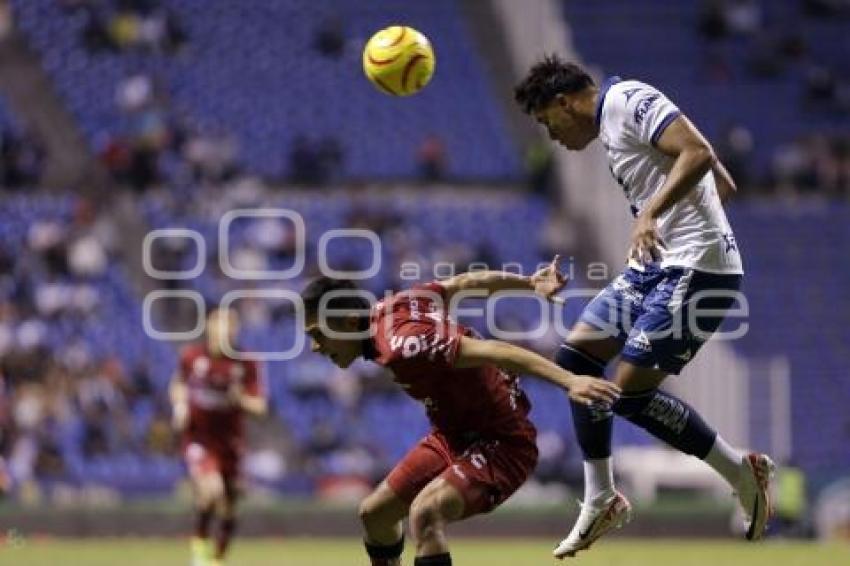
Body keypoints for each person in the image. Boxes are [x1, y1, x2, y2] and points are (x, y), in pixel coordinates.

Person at [514, 55, 775, 558]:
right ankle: (601, 497)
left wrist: (655, 214)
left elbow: (697, 152)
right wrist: (689, 218)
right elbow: (723, 184)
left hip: (697, 270)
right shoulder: (612, 127)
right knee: (576, 361)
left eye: (549, 123)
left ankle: (742, 472)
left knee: (627, 396)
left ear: (565, 103)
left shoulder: (628, 98)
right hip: (657, 267)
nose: (553, 137)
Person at [300, 258, 621, 566]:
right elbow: (467, 282)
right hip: (451, 438)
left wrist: (569, 381)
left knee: (425, 514)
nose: (316, 347)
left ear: (350, 322)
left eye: (318, 334)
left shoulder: (406, 345)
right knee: (375, 513)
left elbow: (496, 351)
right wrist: (527, 283)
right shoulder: (397, 304)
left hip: (502, 445)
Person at [170, 307, 267, 566]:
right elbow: (178, 383)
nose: (224, 331)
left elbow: (260, 407)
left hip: (231, 443)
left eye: (230, 326)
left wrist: (241, 400)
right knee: (211, 491)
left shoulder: (245, 363)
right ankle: (199, 556)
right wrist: (180, 407)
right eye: (220, 325)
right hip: (199, 439)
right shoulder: (191, 357)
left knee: (230, 504)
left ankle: (218, 558)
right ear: (209, 328)